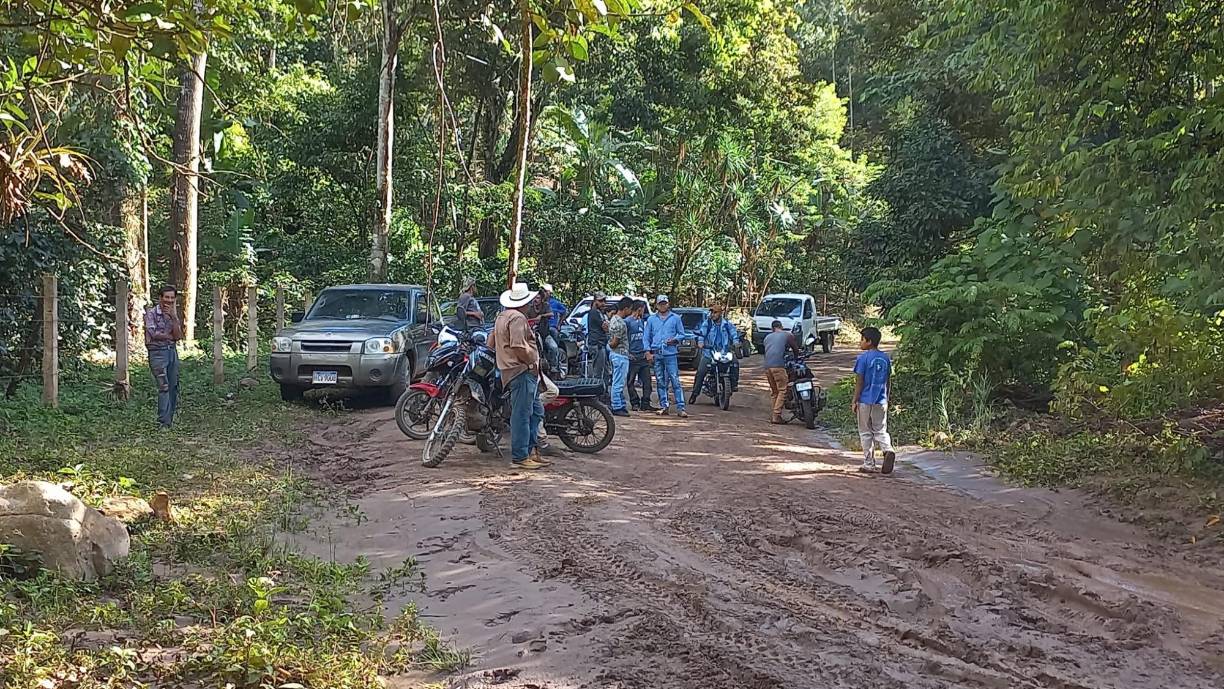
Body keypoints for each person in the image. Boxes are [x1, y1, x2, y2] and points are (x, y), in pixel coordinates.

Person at [488, 282, 549, 470]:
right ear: (525, 302)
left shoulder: (502, 316)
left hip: (510, 369)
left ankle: (530, 451)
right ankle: (520, 456)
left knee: (536, 411)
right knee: (522, 414)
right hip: (521, 370)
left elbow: (490, 342)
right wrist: (530, 361)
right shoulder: (517, 318)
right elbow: (517, 345)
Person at [853, 326, 896, 474]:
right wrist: (887, 398)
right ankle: (887, 449)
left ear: (869, 341)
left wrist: (855, 400)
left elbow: (860, 381)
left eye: (862, 339)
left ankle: (869, 464)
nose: (860, 342)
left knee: (865, 432)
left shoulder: (862, 359)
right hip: (881, 400)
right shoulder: (885, 358)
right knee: (880, 429)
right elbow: (888, 380)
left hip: (865, 400)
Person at [145, 285, 184, 428]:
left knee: (173, 385)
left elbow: (178, 336)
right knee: (163, 386)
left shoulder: (173, 315)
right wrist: (169, 336)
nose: (169, 300)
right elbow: (153, 334)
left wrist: (173, 319)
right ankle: (163, 421)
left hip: (171, 351)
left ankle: (169, 420)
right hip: (157, 352)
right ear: (160, 298)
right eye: (166, 297)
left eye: (172, 298)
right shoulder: (151, 313)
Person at [643, 294, 688, 418]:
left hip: (670, 353)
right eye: (660, 304)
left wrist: (674, 340)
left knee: (675, 380)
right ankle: (664, 405)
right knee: (660, 380)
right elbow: (646, 337)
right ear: (657, 305)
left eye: (665, 303)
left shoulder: (675, 318)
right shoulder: (652, 320)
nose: (663, 306)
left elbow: (682, 334)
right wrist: (647, 352)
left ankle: (680, 406)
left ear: (668, 304)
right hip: (657, 353)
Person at [688, 304, 740, 404]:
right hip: (710, 352)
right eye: (711, 312)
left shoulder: (727, 324)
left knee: (735, 363)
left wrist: (736, 342)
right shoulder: (707, 323)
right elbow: (702, 334)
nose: (713, 314)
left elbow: (734, 334)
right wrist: (700, 342)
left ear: (720, 313)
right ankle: (695, 393)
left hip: (725, 352)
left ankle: (733, 385)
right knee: (701, 371)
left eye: (715, 312)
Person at [762, 319, 801, 424]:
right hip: (778, 366)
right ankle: (776, 415)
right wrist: (797, 357)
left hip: (767, 367)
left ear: (772, 328)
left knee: (775, 392)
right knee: (783, 390)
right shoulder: (787, 335)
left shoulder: (767, 337)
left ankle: (774, 415)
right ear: (781, 327)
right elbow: (795, 349)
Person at [607, 298, 634, 417]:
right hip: (619, 354)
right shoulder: (620, 323)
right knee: (618, 382)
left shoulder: (613, 319)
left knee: (618, 381)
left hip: (618, 354)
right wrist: (609, 344)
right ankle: (616, 405)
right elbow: (614, 343)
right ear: (626, 308)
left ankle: (620, 403)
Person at [625, 300, 654, 411]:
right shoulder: (627, 322)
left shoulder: (642, 321)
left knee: (647, 381)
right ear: (639, 309)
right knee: (630, 382)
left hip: (643, 356)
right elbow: (624, 339)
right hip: (633, 356)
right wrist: (627, 353)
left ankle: (645, 402)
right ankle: (635, 402)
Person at [585, 291, 610, 381]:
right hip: (597, 344)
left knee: (605, 370)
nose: (603, 303)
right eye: (600, 301)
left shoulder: (600, 313)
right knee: (598, 372)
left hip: (601, 344)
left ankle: (604, 391)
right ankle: (596, 393)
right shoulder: (594, 312)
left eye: (604, 301)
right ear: (595, 301)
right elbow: (606, 327)